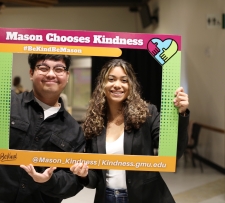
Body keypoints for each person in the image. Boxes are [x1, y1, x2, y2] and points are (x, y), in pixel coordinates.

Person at [0, 22, 85, 203]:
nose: (51, 74)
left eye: (59, 69)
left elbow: (73, 182)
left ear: (67, 77)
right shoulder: (3, 104)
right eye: (43, 68)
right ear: (31, 72)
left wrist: (49, 180)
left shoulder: (74, 130)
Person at [70, 59, 189, 203]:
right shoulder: (93, 123)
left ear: (131, 85)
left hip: (146, 198)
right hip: (107, 198)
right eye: (111, 79)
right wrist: (83, 175)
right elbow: (94, 179)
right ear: (102, 84)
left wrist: (181, 114)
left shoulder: (147, 114)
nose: (117, 85)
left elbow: (173, 153)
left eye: (124, 80)